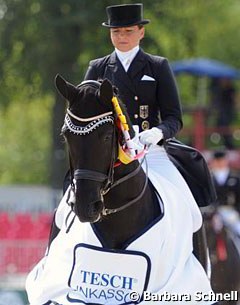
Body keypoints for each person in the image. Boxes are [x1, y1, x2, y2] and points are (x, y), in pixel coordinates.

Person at [209, 149, 240, 236]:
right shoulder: (209, 177)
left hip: (230, 211)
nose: (220, 162)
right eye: (217, 160)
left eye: (222, 160)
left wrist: (237, 211)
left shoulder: (235, 177)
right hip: (214, 212)